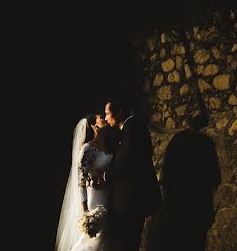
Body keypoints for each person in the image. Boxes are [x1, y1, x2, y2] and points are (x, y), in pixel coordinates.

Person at [103, 99, 161, 251]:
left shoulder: (132, 128)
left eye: (108, 114)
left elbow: (124, 163)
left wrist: (104, 176)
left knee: (129, 243)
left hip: (133, 200)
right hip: (131, 200)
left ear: (120, 112)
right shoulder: (129, 128)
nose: (106, 118)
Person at [57, 117, 115, 251]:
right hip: (95, 199)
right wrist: (85, 211)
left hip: (109, 196)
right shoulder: (87, 149)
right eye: (101, 118)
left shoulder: (111, 146)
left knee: (106, 240)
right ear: (94, 125)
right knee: (92, 240)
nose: (105, 118)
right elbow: (81, 181)